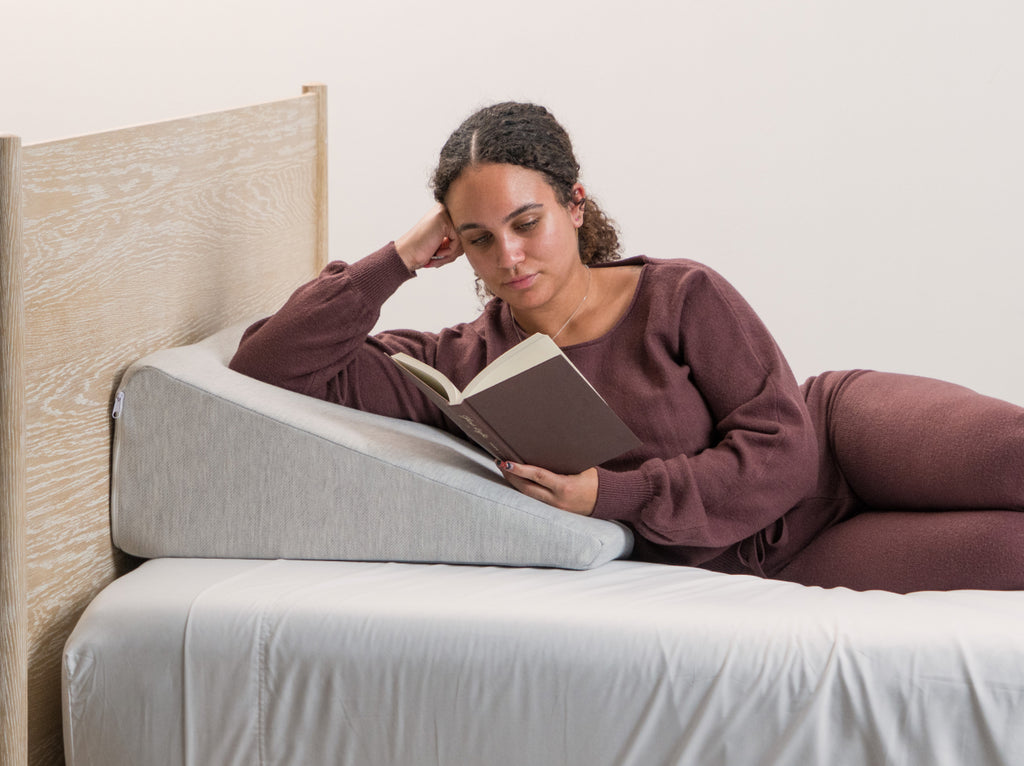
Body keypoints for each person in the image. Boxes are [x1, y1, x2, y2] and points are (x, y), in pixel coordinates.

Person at [229, 102, 1024, 593]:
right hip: (761, 554)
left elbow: (784, 448)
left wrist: (608, 497)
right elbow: (269, 363)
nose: (508, 256)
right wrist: (396, 258)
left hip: (836, 437)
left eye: (526, 222)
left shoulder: (680, 293)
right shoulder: (458, 364)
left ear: (575, 205)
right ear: (454, 247)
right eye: (477, 238)